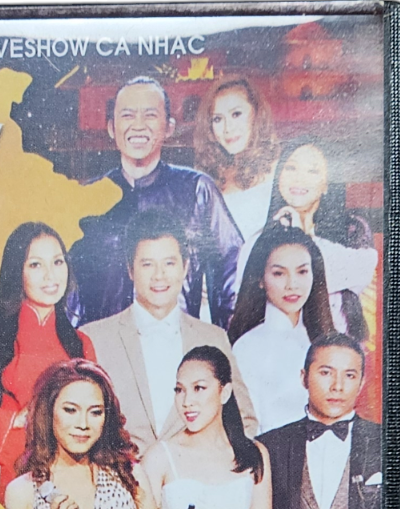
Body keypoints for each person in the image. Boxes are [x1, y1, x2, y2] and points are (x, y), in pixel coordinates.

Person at [66, 76, 243, 330]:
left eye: (150, 115)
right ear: (111, 128)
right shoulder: (87, 198)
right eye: (127, 115)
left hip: (179, 343)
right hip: (104, 347)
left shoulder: (197, 190)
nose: (138, 126)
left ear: (169, 127)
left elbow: (232, 279)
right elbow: (70, 294)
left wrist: (224, 342)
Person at [0, 222, 94, 499]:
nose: (50, 275)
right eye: (35, 264)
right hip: (2, 477)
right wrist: (14, 420)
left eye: (57, 262)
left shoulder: (80, 344)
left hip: (67, 478)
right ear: (16, 272)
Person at [82, 211, 259, 454]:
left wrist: (210, 466)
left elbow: (245, 421)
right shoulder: (94, 337)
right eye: (147, 264)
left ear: (185, 267)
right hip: (119, 474)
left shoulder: (213, 338)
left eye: (169, 263)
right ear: (130, 269)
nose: (159, 275)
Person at [2, 359, 164, 509]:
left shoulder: (130, 474)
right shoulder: (23, 491)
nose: (83, 424)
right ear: (49, 412)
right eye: (70, 410)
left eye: (95, 412)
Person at [138, 345, 272, 509]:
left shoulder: (254, 454)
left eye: (199, 388)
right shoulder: (159, 456)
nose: (187, 401)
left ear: (225, 392)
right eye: (179, 390)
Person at [258, 334, 382, 509]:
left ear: (362, 382)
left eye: (349, 375)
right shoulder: (270, 447)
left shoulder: (386, 443)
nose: (337, 386)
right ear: (304, 377)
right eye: (326, 373)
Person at [256, 138, 378, 338]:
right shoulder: (261, 236)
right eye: (291, 168)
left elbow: (358, 272)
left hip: (336, 348)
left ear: (326, 184)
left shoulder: (352, 230)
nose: (299, 179)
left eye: (312, 171)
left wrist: (302, 236)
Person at [227, 229, 334, 435]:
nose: (292, 285)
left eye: (302, 272)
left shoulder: (324, 339)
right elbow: (247, 432)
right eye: (279, 273)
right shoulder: (247, 347)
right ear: (260, 279)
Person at [193, 76, 281, 248]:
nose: (228, 128)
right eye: (218, 119)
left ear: (256, 114)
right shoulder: (211, 178)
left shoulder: (282, 169)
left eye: (236, 114)